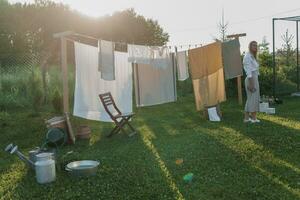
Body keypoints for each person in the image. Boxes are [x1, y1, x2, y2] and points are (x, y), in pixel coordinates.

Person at [243, 41, 260, 123]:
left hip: (254, 78)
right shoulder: (248, 56)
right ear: (250, 46)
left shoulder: (253, 56)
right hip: (251, 79)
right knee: (252, 99)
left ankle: (247, 118)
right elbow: (249, 71)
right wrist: (251, 83)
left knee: (252, 99)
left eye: (256, 45)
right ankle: (253, 118)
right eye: (253, 45)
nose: (255, 47)